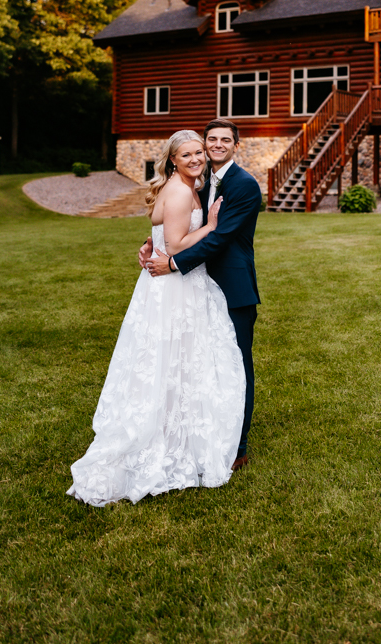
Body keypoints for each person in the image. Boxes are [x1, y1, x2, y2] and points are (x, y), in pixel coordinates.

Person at [67, 130, 245, 507]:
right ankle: (167, 440)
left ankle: (171, 428)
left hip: (168, 283)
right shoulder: (182, 191)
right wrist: (211, 226)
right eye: (187, 154)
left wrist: (153, 243)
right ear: (173, 161)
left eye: (199, 151)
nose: (197, 158)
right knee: (177, 359)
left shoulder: (183, 187)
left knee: (170, 361)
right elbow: (177, 244)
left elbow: (161, 230)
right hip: (175, 284)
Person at [142, 119, 262, 470]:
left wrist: (173, 262)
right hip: (199, 289)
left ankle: (237, 446)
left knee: (238, 365)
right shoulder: (199, 180)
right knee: (204, 365)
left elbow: (219, 237)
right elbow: (178, 222)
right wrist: (153, 244)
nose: (217, 145)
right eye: (212, 140)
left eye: (226, 140)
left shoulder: (244, 185)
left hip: (233, 287)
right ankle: (203, 433)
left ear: (237, 145)